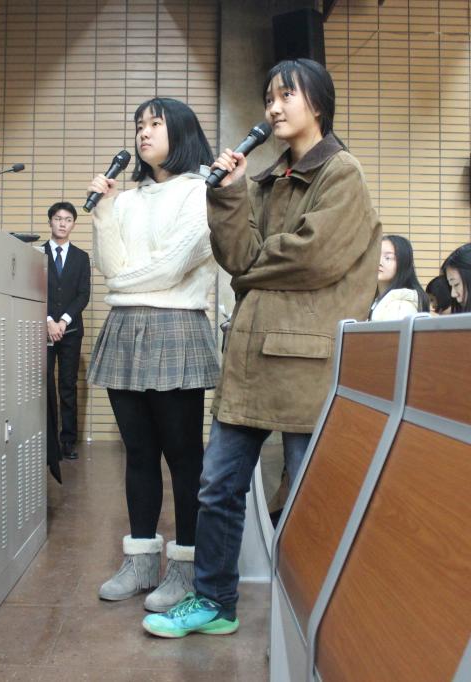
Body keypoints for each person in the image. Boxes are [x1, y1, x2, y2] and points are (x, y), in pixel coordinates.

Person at [142, 58, 382, 638]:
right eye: (269, 98)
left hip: (307, 360)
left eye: (285, 96)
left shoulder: (342, 173)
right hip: (251, 357)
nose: (273, 108)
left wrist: (253, 264)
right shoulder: (268, 178)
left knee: (305, 494)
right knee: (217, 487)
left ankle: (308, 618)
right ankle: (215, 602)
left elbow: (312, 257)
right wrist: (230, 195)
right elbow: (236, 257)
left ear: (317, 103)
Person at [86, 97, 219, 612]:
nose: (143, 133)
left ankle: (185, 567)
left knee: (183, 457)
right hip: (125, 327)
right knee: (138, 453)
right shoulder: (127, 200)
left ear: (180, 131)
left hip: (177, 326)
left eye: (155, 124)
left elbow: (172, 266)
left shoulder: (201, 191)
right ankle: (141, 561)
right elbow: (110, 264)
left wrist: (122, 284)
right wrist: (103, 213)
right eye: (139, 125)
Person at [44, 201, 90, 461]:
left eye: (68, 219)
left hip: (71, 331)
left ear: (73, 224)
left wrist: (63, 321)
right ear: (50, 221)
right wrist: (48, 320)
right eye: (58, 218)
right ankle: (46, 441)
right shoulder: (36, 253)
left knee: (68, 386)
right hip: (42, 330)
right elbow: (32, 288)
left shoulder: (81, 257)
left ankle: (68, 441)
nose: (62, 223)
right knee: (43, 385)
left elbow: (83, 294)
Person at [369, 234, 428, 321]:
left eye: (388, 258)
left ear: (403, 263)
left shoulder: (401, 307)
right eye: (376, 255)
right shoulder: (375, 300)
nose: (379, 262)